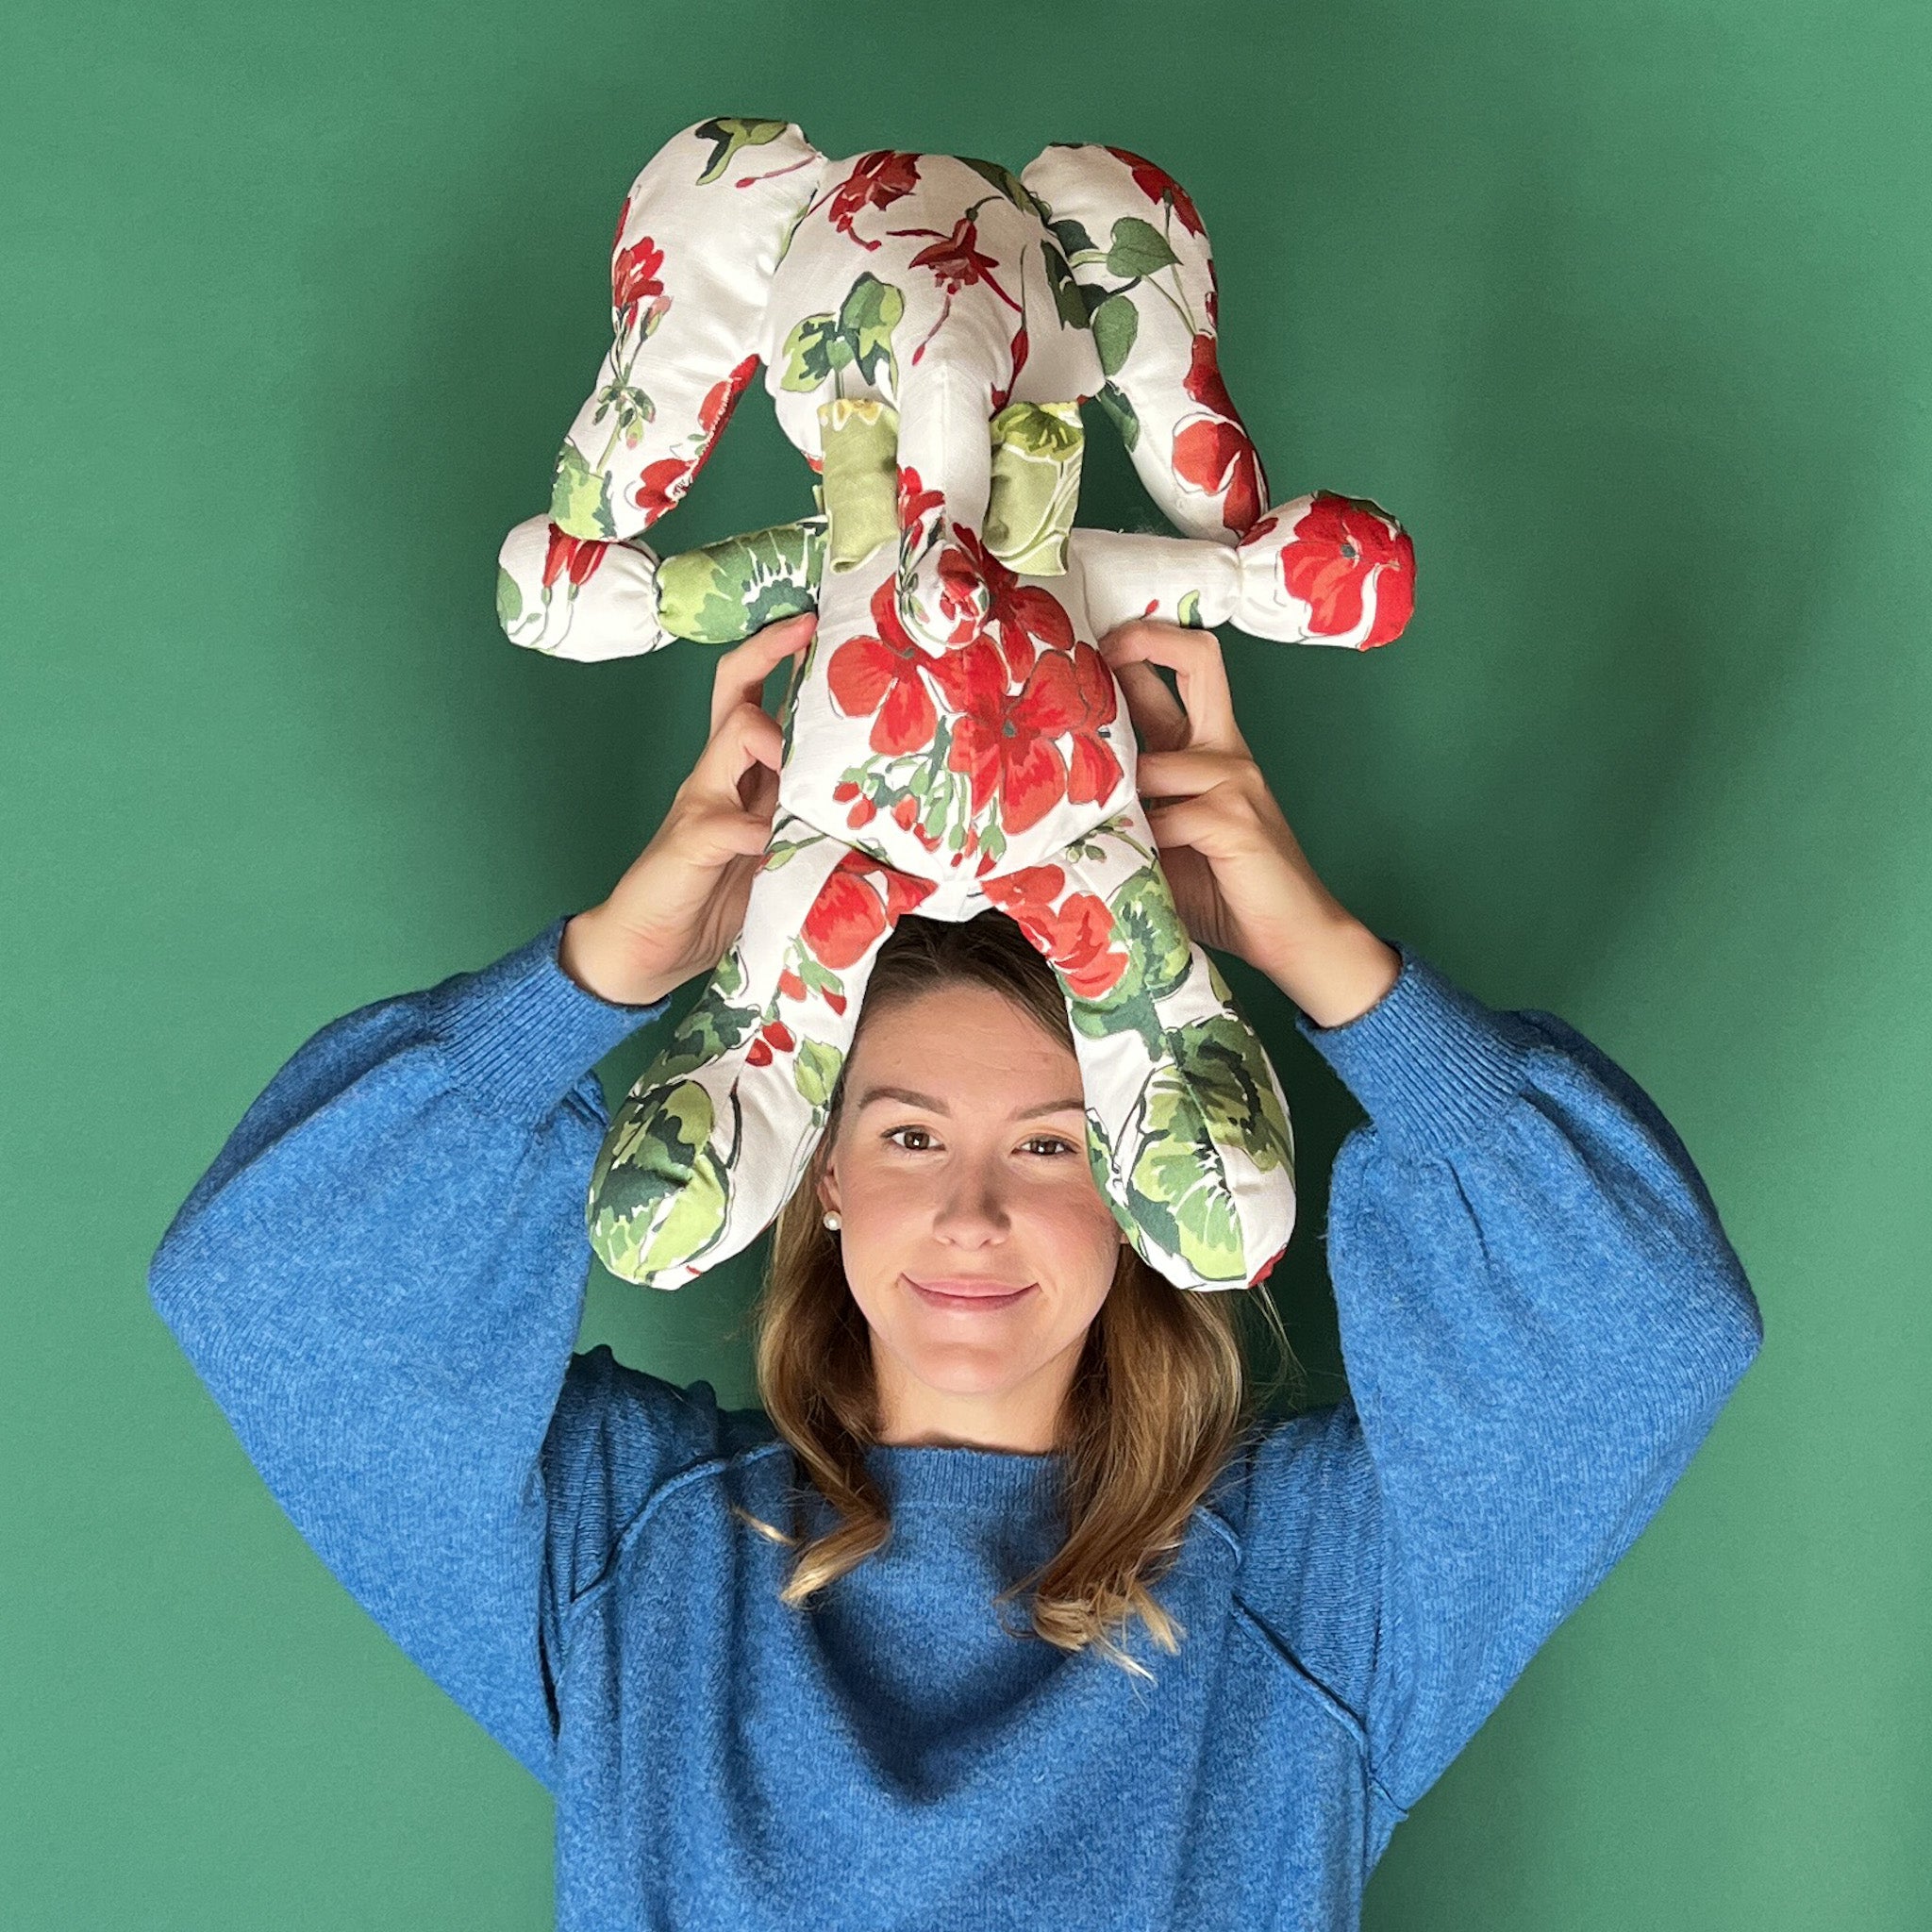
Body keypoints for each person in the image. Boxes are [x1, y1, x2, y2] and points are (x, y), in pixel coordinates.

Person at [147, 611, 1763, 1931]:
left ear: (1142, 1186)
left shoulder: (1315, 1583)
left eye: (1054, 1143)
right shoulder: (641, 1558)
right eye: (911, 1138)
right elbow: (268, 1284)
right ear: (824, 1178)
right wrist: (597, 974)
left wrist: (1319, 957)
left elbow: (1648, 1326)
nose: (974, 1215)